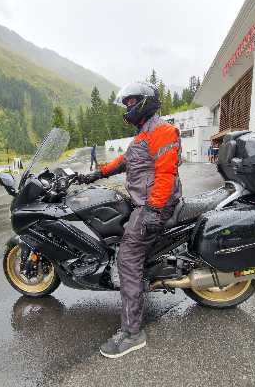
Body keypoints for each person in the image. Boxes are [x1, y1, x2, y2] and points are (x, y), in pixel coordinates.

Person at [77, 81, 182, 358]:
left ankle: (132, 333)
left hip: (155, 205)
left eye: (131, 102)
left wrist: (153, 210)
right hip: (145, 201)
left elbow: (166, 174)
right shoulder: (143, 134)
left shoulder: (162, 130)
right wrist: (96, 174)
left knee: (127, 257)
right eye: (126, 104)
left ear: (145, 102)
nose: (128, 107)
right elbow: (125, 161)